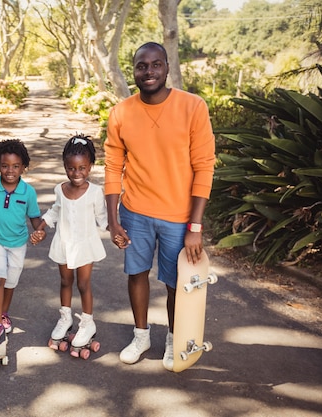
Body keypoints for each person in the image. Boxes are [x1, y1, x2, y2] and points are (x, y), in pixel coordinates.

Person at [104, 42, 216, 370]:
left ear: (167, 67)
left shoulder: (193, 107)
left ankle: (173, 338)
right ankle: (141, 335)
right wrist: (113, 220)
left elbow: (204, 166)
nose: (148, 72)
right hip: (135, 211)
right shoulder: (121, 112)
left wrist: (195, 226)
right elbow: (113, 167)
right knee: (136, 273)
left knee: (173, 282)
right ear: (134, 70)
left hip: (178, 217)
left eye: (155, 65)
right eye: (141, 66)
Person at [31, 134, 108, 356]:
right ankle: (65, 318)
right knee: (65, 281)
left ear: (90, 167)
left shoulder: (94, 192)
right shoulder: (60, 189)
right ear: (65, 166)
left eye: (82, 168)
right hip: (64, 243)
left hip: (85, 245)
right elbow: (55, 210)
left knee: (83, 284)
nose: (77, 173)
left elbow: (102, 218)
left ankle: (87, 322)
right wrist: (41, 227)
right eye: (72, 168)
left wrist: (116, 231)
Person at [0, 139, 43, 347]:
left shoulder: (28, 192)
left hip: (17, 242)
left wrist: (40, 230)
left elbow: (34, 217)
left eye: (16, 166)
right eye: (5, 165)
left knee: (10, 282)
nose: (10, 171)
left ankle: (3, 313)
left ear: (23, 167)